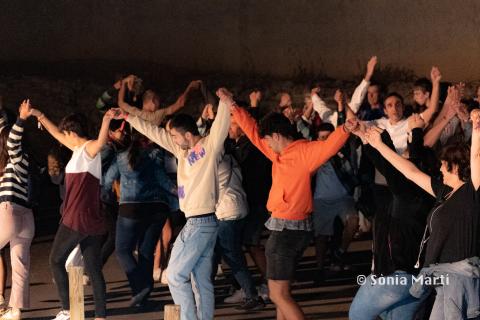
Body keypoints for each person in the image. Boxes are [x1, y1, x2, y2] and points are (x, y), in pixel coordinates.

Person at [112, 87, 231, 320]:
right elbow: (154, 132)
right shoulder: (181, 149)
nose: (172, 139)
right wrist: (127, 117)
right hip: (200, 223)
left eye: (175, 135)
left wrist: (226, 103)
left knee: (175, 277)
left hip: (201, 223)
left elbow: (220, 128)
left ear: (188, 134)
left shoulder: (209, 147)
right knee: (200, 281)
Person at [231, 103, 356, 320]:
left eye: (268, 138)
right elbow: (252, 132)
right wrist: (234, 107)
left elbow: (329, 146)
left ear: (277, 136)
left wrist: (345, 129)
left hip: (287, 231)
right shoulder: (277, 152)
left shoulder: (304, 152)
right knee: (283, 293)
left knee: (277, 294)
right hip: (291, 229)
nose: (265, 143)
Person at [359, 107, 480, 319]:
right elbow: (410, 172)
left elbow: (477, 156)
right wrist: (378, 146)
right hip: (442, 279)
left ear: (455, 166)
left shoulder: (472, 193)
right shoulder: (444, 193)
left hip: (460, 279)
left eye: (443, 165)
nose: (440, 170)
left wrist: (477, 128)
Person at [30, 108, 115, 320]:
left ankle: (67, 309)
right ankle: (100, 316)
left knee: (55, 260)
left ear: (73, 132)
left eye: (66, 133)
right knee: (94, 270)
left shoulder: (87, 149)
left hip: (77, 218)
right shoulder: (77, 149)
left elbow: (101, 142)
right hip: (92, 220)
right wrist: (39, 115)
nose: (63, 137)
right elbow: (56, 134)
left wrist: (106, 121)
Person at [103, 129, 175, 307]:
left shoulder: (122, 156)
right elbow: (165, 181)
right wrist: (182, 193)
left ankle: (140, 287)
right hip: (157, 208)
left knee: (122, 250)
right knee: (145, 250)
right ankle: (145, 290)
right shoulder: (155, 155)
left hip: (131, 208)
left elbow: (107, 180)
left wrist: (105, 198)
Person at [0, 100, 36, 320]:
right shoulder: (20, 164)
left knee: (19, 262)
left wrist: (21, 118)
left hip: (9, 211)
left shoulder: (16, 157)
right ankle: (15, 311)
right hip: (26, 218)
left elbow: (12, 142)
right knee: (20, 264)